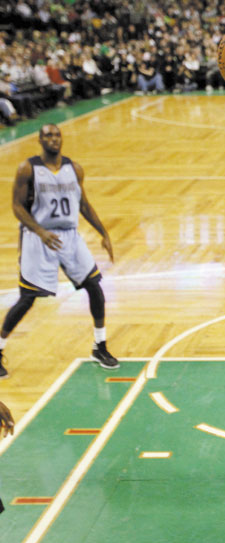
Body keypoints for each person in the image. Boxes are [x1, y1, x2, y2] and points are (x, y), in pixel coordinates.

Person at [0, 124, 118, 380]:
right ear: (40, 140)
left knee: (94, 286)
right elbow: (17, 207)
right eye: (48, 135)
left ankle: (100, 346)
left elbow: (83, 204)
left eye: (57, 135)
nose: (54, 139)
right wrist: (41, 232)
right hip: (37, 237)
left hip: (69, 236)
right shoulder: (27, 169)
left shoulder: (74, 168)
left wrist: (103, 233)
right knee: (27, 299)